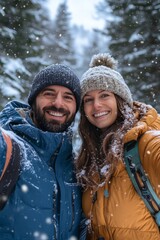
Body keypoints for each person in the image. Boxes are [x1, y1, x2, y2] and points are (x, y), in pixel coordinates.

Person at [75, 53, 160, 240]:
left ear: (120, 100)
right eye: (88, 99)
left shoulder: (146, 143)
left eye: (104, 95)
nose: (96, 105)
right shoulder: (90, 156)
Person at [0, 63, 85, 240]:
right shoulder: (7, 147)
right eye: (49, 94)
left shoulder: (75, 166)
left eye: (68, 97)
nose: (58, 104)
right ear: (33, 100)